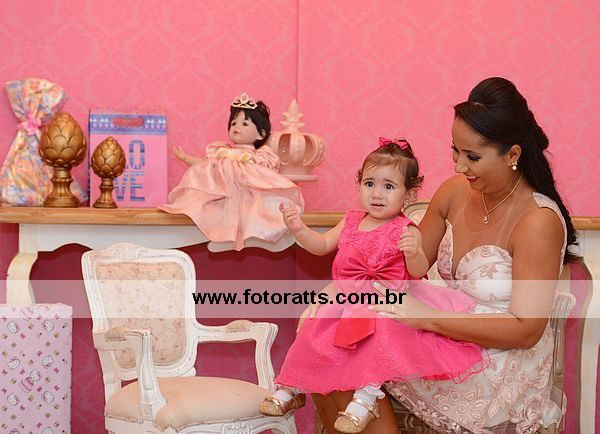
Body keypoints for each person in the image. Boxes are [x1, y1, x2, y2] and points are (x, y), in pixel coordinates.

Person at [313, 77, 578, 434]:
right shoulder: (454, 192)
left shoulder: (538, 221)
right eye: (456, 150)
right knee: (330, 332)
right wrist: (344, 288)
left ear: (512, 154)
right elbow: (403, 265)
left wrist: (426, 318)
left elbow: (526, 330)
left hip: (499, 364)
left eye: (472, 157)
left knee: (350, 349)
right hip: (440, 335)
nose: (458, 166)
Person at [259, 138, 489, 433]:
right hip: (349, 299)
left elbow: (418, 271)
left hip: (385, 300)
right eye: (369, 184)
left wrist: (413, 252)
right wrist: (299, 229)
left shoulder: (405, 229)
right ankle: (291, 386)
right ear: (359, 185)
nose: (377, 193)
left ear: (409, 194)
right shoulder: (351, 221)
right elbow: (321, 245)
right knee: (314, 328)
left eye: (388, 186)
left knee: (379, 334)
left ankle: (366, 397)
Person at [158, 93, 304, 250]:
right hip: (222, 200)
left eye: (244, 124)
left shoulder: (259, 156)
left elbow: (267, 178)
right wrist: (186, 158)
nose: (236, 127)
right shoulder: (222, 151)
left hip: (250, 199)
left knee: (258, 211)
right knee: (202, 206)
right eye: (233, 123)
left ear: (261, 134)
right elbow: (205, 166)